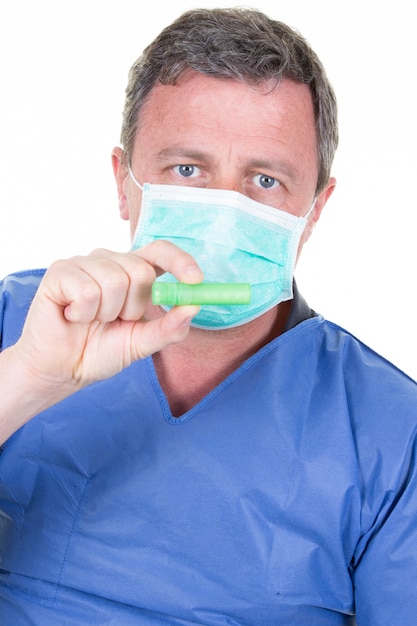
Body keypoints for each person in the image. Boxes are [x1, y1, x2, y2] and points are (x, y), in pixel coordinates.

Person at [0, 7, 415, 625]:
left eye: (266, 179)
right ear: (124, 182)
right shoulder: (24, 320)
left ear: (316, 209)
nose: (224, 209)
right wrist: (25, 380)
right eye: (187, 169)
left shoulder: (390, 433)